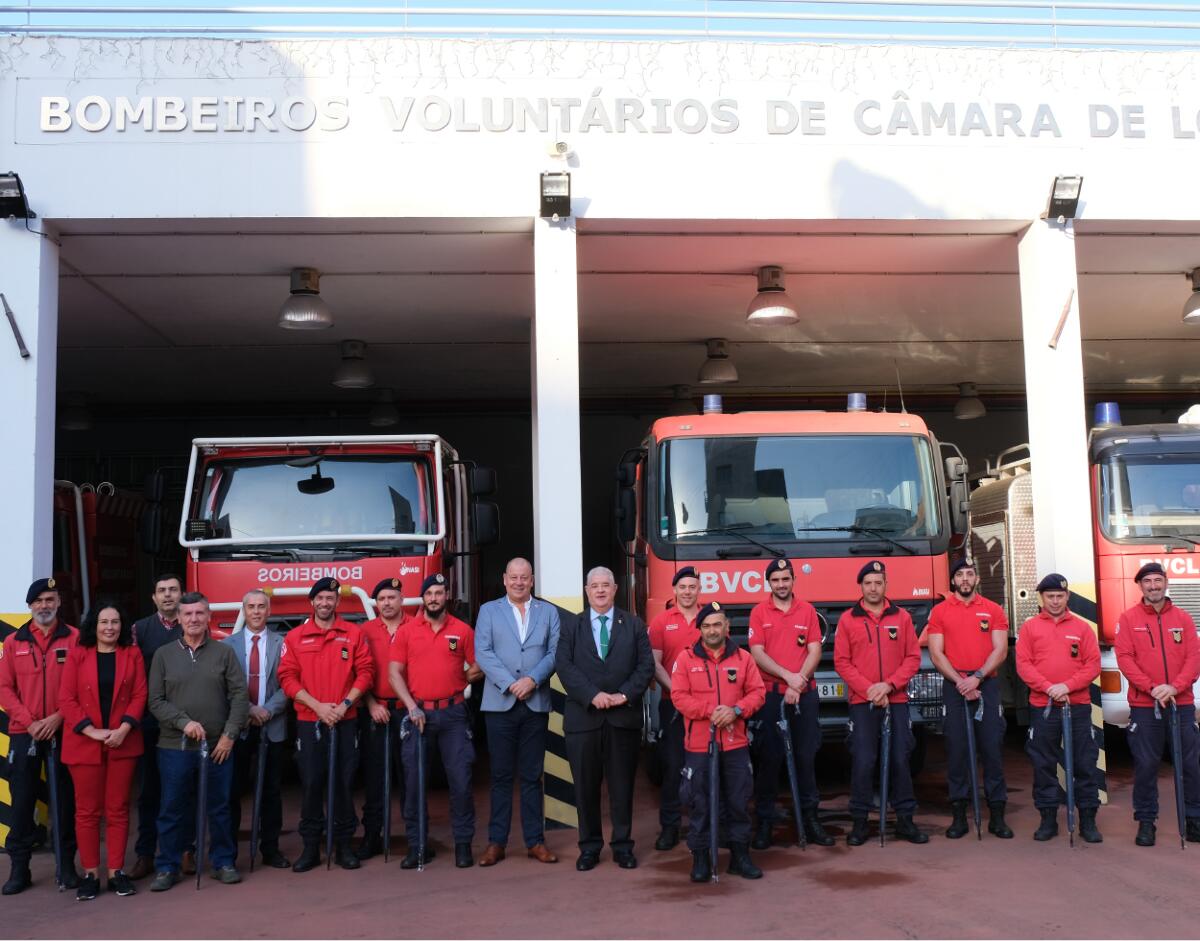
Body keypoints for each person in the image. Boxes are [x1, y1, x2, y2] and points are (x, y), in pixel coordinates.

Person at [554, 566, 653, 871]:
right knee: (585, 788)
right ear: (587, 591)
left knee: (622, 787)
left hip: (623, 719)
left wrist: (624, 695)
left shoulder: (634, 625)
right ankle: (590, 847)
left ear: (614, 589)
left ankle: (623, 846)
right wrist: (592, 695)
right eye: (594, 586)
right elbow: (564, 665)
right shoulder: (572, 626)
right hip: (584, 719)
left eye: (605, 585)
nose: (600, 590)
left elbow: (645, 666)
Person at [147, 592, 249, 890]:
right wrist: (183, 722)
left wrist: (230, 736)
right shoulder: (164, 655)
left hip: (218, 747)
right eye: (188, 614)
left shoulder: (224, 653)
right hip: (174, 748)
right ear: (178, 618)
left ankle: (223, 862)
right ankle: (167, 866)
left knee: (220, 807)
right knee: (171, 808)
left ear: (209, 618)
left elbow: (240, 697)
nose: (194, 619)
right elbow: (155, 700)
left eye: (199, 614)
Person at [278, 577, 374, 873]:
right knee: (311, 784)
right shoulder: (294, 638)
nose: (325, 603)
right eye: (319, 598)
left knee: (344, 784)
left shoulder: (353, 634)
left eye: (330, 598)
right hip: (310, 723)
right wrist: (318, 707)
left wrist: (344, 705)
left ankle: (344, 845)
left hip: (345, 721)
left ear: (336, 602)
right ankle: (310, 847)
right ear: (312, 602)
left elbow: (366, 673)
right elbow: (287, 678)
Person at [390, 573, 483, 869]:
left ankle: (463, 845)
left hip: (454, 715)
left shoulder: (463, 630)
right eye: (429, 593)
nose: (434, 598)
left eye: (439, 593)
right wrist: (410, 708)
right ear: (423, 597)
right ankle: (417, 847)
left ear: (447, 596)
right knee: (414, 784)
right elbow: (394, 673)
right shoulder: (407, 631)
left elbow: (479, 666)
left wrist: (462, 678)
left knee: (461, 782)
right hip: (418, 715)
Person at [474, 558, 562, 867]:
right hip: (500, 704)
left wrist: (532, 680)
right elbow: (482, 652)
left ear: (532, 580)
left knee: (532, 776)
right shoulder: (489, 611)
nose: (519, 582)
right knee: (499, 777)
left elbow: (554, 652)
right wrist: (512, 684)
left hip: (535, 704)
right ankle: (496, 843)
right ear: (504, 579)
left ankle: (535, 842)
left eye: (524, 577)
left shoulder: (548, 612)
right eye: (514, 577)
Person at [833, 561, 928, 846]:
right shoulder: (848, 619)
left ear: (886, 585)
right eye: (868, 583)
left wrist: (889, 685)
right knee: (864, 760)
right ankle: (860, 822)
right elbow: (841, 661)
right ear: (860, 587)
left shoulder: (901, 618)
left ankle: (905, 821)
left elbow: (913, 658)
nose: (873, 588)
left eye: (878, 582)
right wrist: (869, 689)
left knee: (900, 759)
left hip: (896, 700)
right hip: (863, 702)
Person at [57, 600, 147, 900]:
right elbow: (66, 698)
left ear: (122, 626)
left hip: (123, 741)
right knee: (86, 812)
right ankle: (91, 873)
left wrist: (123, 729)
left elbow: (139, 694)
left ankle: (117, 872)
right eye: (104, 622)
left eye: (115, 622)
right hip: (84, 744)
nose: (110, 627)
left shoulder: (132, 654)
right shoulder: (77, 655)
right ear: (93, 626)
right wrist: (91, 730)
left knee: (118, 810)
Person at [671, 602, 766, 882]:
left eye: (717, 624)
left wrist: (735, 711)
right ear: (699, 629)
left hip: (735, 744)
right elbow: (679, 696)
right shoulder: (686, 659)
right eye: (707, 626)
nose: (712, 630)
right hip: (700, 746)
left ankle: (740, 857)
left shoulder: (744, 658)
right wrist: (709, 712)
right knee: (699, 804)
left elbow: (758, 692)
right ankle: (701, 857)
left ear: (727, 627)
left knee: (738, 802)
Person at [0, 578, 80, 895]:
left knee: (65, 802)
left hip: (64, 729)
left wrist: (59, 716)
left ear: (58, 603)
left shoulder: (74, 638)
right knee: (21, 803)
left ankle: (67, 867)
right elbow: (5, 688)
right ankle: (19, 870)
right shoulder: (13, 642)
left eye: (50, 599)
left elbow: (78, 686)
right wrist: (30, 722)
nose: (45, 605)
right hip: (25, 733)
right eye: (39, 601)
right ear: (30, 606)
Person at [747, 557, 833, 848]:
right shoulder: (759, 612)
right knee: (769, 759)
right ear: (768, 583)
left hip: (804, 696)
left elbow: (815, 650)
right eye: (776, 580)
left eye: (786, 579)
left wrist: (800, 680)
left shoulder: (807, 611)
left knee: (806, 757)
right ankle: (765, 824)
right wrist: (789, 678)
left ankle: (810, 820)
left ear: (793, 580)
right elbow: (757, 652)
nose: (781, 584)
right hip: (771, 695)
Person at [926, 557, 1013, 839]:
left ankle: (997, 817)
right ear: (952, 581)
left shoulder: (993, 610)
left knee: (992, 749)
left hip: (985, 685)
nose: (965, 579)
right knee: (957, 752)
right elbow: (936, 653)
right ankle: (959, 816)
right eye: (960, 575)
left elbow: (1000, 651)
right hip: (954, 686)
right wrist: (961, 681)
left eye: (970, 574)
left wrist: (976, 677)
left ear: (977, 579)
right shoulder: (939, 612)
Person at [1114, 562, 1200, 845]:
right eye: (1148, 581)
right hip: (1144, 705)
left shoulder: (1184, 619)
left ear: (1166, 583)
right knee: (1146, 765)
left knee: (1190, 764)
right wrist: (1152, 689)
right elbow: (1125, 659)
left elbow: (1194, 658)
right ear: (1140, 586)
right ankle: (1146, 822)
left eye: (1158, 580)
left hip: (1182, 703)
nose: (1153, 586)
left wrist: (1174, 687)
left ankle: (1194, 818)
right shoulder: (1128, 619)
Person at [1015, 573, 1103, 843]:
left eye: (1060, 596)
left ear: (1067, 597)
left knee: (1085, 763)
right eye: (1050, 596)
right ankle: (1048, 819)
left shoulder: (1082, 627)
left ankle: (1087, 820)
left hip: (1077, 706)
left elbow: (1092, 664)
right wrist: (1048, 687)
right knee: (1043, 764)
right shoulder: (1030, 628)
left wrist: (1067, 686)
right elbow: (1023, 665)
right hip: (1043, 707)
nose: (1055, 601)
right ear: (1042, 598)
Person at [221, 589, 291, 870]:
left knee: (272, 792)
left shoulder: (282, 643)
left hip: (272, 725)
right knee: (233, 791)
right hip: (238, 727)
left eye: (262, 606)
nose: (257, 611)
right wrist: (247, 709)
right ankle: (229, 855)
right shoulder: (227, 645)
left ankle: (271, 850)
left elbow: (290, 682)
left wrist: (267, 710)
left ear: (269, 611)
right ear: (244, 610)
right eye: (251, 606)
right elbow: (222, 686)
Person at [129, 573, 184, 880]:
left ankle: (184, 851)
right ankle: (145, 854)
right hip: (151, 722)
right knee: (150, 791)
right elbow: (135, 676)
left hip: (186, 721)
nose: (167, 595)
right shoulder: (140, 629)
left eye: (173, 590)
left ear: (182, 593)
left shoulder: (192, 623)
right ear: (153, 597)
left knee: (183, 791)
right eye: (161, 591)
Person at [353, 577, 411, 861]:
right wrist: (371, 704)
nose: (387, 603)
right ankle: (372, 837)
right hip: (375, 711)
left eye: (392, 597)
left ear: (402, 600)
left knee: (410, 777)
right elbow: (357, 673)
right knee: (375, 780)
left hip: (408, 712)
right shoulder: (364, 631)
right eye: (382, 599)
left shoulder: (417, 627)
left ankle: (416, 838)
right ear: (376, 603)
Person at [647, 566, 702, 852]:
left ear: (699, 590)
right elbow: (655, 664)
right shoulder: (661, 622)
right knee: (672, 767)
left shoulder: (711, 619)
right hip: (673, 706)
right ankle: (669, 827)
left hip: (705, 709)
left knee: (702, 766)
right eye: (683, 587)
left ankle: (700, 824)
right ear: (675, 591)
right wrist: (679, 694)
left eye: (693, 587)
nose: (688, 591)